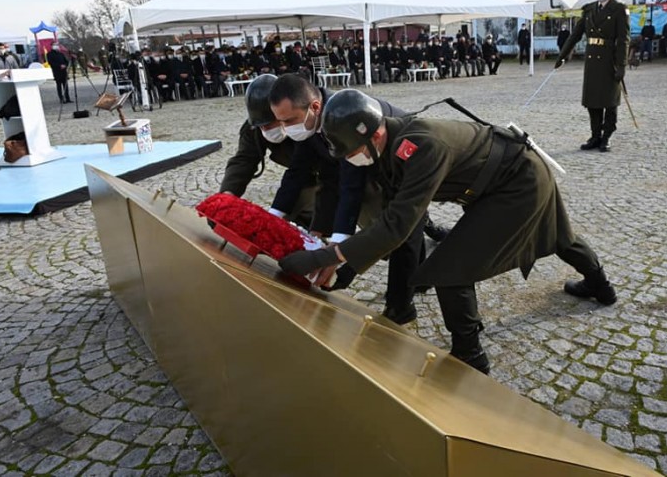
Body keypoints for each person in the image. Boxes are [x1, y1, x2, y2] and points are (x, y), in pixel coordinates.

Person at [278, 90, 617, 374]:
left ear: (375, 134)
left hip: (518, 182)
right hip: (499, 180)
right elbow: (394, 224)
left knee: (449, 268)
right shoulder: (385, 148)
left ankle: (470, 356)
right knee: (558, 232)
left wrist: (324, 256)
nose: (350, 160)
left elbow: (398, 225)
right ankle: (601, 287)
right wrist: (344, 267)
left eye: (351, 152)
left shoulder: (419, 145)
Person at [267, 75, 440, 320]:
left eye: (289, 120)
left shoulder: (343, 116)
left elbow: (350, 187)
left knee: (402, 228)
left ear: (314, 107)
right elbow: (325, 178)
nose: (285, 129)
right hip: (368, 164)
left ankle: (400, 307)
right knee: (401, 228)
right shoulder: (309, 123)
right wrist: (316, 231)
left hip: (403, 159)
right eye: (280, 122)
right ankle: (419, 277)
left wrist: (337, 249)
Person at [219, 74, 315, 224]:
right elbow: (244, 160)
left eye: (270, 123)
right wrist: (228, 193)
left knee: (311, 213)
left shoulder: (302, 122)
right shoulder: (254, 127)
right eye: (261, 125)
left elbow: (299, 171)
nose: (265, 129)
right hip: (295, 176)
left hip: (320, 174)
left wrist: (276, 213)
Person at [555, 0, 629, 153]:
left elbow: (623, 39)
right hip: (592, 61)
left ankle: (606, 136)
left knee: (610, 101)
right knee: (592, 100)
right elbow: (576, 35)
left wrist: (621, 65)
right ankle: (595, 135)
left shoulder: (619, 9)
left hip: (609, 60)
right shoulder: (589, 10)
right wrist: (562, 55)